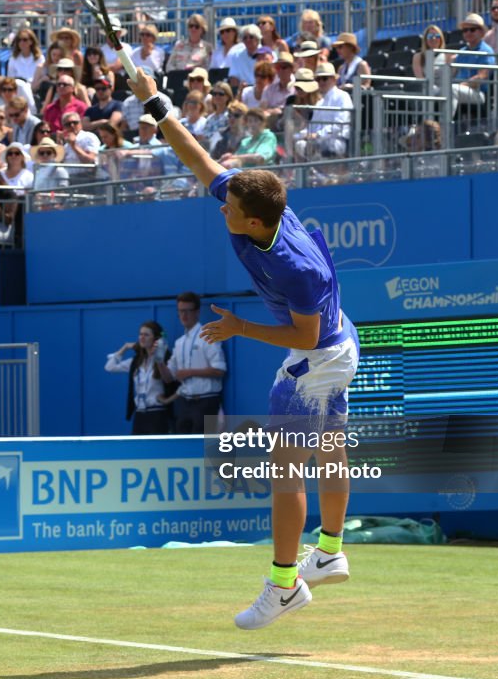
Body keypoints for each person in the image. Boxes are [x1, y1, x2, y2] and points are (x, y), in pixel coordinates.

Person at [127, 64, 359, 629]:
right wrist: (155, 100)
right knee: (329, 446)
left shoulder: (297, 268)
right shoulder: (253, 203)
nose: (221, 209)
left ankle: (284, 585)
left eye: (229, 210)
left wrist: (240, 328)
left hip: (318, 355)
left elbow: (303, 338)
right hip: (337, 345)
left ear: (253, 221)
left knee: (287, 470)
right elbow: (196, 157)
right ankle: (329, 550)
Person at [165, 291, 226, 434]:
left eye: (188, 311)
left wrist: (189, 372)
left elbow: (219, 370)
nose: (184, 315)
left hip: (206, 400)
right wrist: (158, 359)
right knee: (183, 447)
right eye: (181, 311)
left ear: (197, 312)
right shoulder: (180, 342)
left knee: (203, 449)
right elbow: (168, 377)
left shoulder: (207, 336)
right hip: (185, 402)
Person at [105, 320, 176, 434]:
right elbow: (109, 367)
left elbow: (174, 382)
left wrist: (167, 400)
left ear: (155, 339)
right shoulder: (136, 362)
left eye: (146, 335)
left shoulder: (164, 360)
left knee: (157, 450)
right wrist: (125, 347)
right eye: (140, 334)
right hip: (139, 414)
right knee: (138, 449)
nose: (142, 337)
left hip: (157, 413)